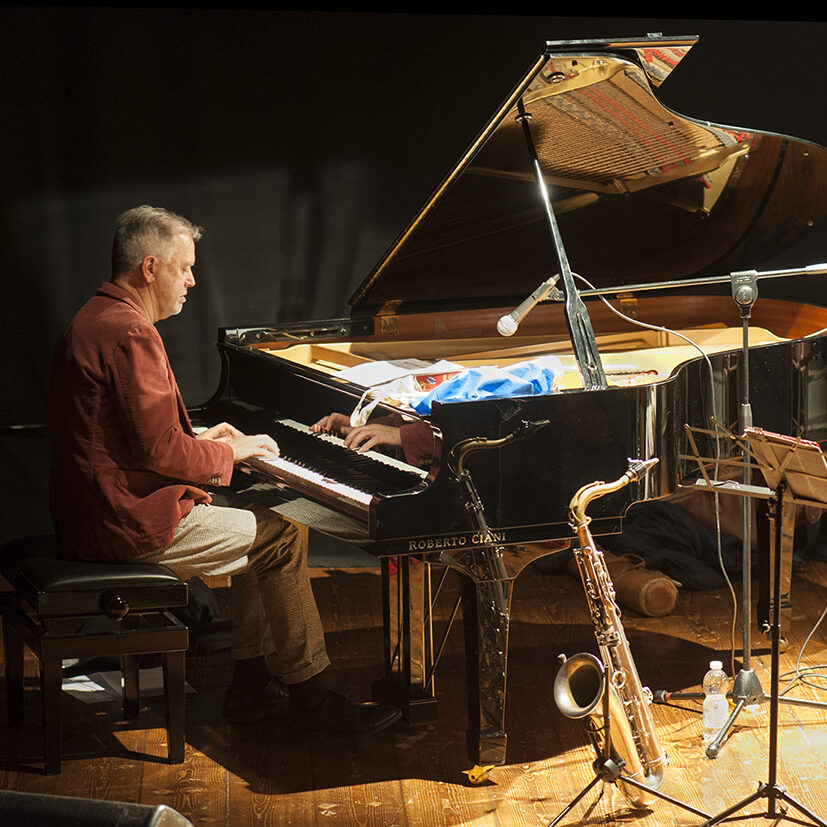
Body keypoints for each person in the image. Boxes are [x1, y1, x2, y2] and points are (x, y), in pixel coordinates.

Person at [48, 205, 401, 741]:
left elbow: (130, 439)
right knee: (281, 535)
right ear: (149, 267)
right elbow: (155, 450)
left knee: (261, 520)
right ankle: (312, 696)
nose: (191, 280)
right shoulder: (131, 333)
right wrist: (229, 454)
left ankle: (253, 683)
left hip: (93, 513)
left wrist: (198, 441)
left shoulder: (93, 319)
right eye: (184, 267)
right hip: (125, 527)